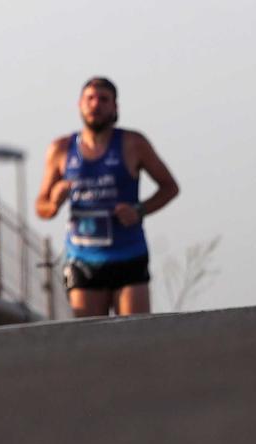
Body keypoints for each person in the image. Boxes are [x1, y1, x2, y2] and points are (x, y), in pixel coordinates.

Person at [34, 77, 181, 317]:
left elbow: (170, 187)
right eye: (90, 99)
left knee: (135, 337)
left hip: (129, 254)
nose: (96, 105)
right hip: (83, 259)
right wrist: (55, 201)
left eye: (104, 99)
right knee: (91, 342)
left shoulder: (133, 143)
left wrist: (139, 210)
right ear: (80, 105)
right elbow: (41, 207)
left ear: (115, 107)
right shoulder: (61, 149)